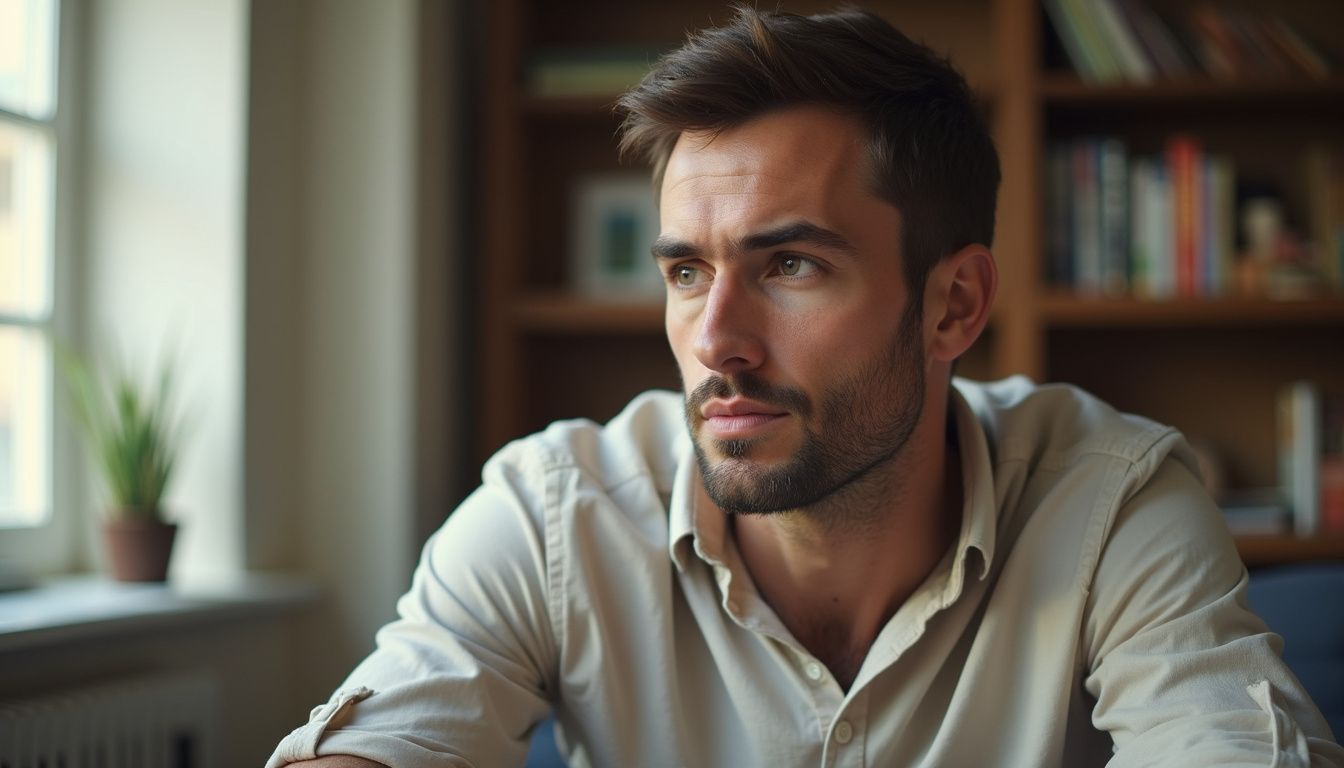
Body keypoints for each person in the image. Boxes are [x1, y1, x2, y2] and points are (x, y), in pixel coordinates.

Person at [269, 7, 1342, 767]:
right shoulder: (557, 514)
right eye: (687, 273)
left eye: (791, 265)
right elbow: (387, 738)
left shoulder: (1112, 504)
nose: (717, 341)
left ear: (954, 305)